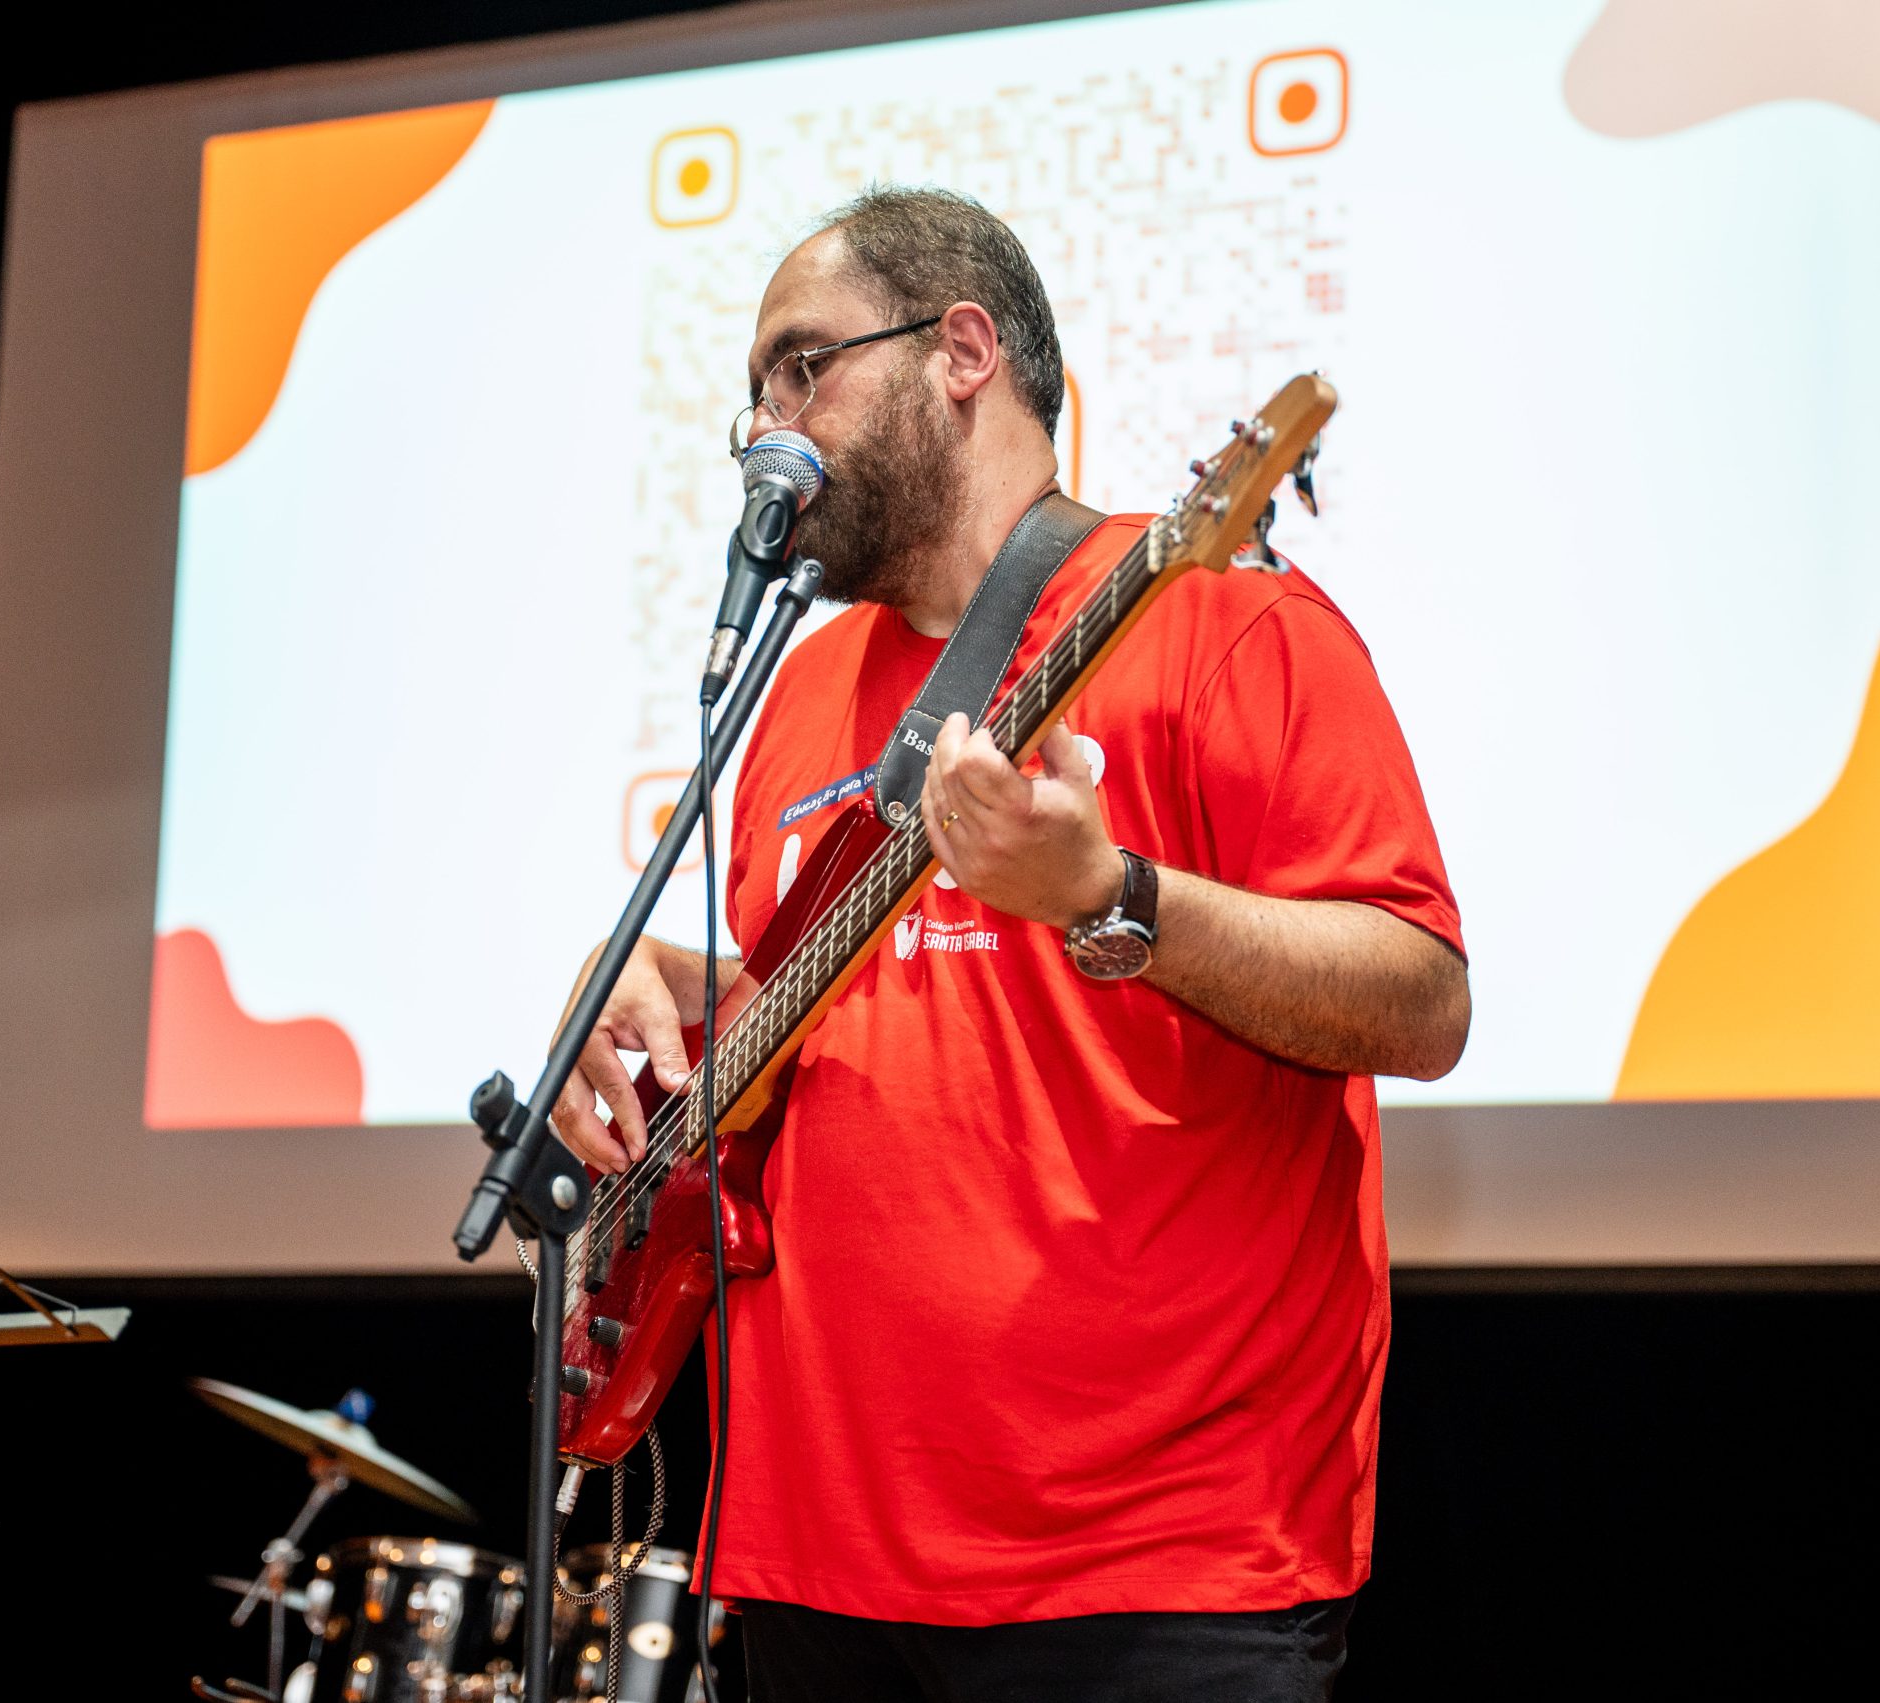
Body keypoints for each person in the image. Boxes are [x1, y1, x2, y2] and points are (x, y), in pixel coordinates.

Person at [548, 187, 1469, 1701]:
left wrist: (1113, 896)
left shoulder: (1220, 618)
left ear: (963, 350)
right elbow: (843, 1011)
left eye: (802, 368)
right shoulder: (802, 690)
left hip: (1159, 1570)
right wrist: (662, 988)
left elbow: (1422, 999)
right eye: (755, 394)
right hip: (816, 1565)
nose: (766, 429)